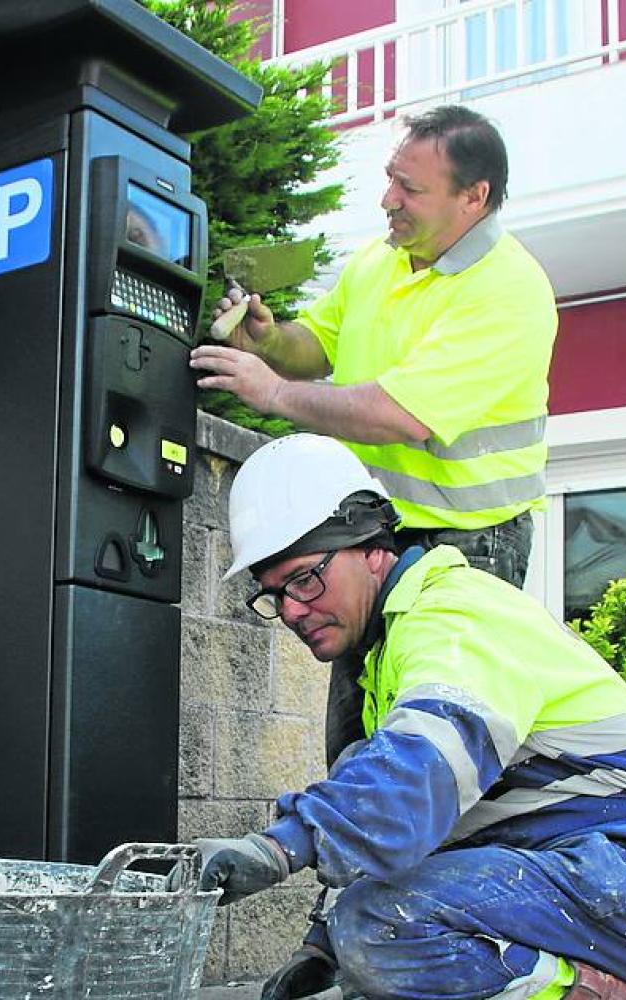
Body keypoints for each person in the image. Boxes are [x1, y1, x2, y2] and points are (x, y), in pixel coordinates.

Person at [193, 434, 626, 1000]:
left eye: (305, 578)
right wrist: (321, 949)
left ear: (371, 548)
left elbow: (416, 777)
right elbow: (398, 830)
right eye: (274, 595)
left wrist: (276, 848)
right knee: (371, 951)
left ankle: (583, 991)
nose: (292, 609)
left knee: (382, 928)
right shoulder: (390, 652)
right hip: (572, 866)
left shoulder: (452, 615)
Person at [191, 104, 558, 770]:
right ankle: (362, 864)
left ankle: (432, 868)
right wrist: (270, 341)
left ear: (473, 198)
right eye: (391, 179)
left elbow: (399, 415)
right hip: (379, 534)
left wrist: (270, 393)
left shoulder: (509, 291)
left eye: (410, 189)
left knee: (435, 740)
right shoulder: (381, 261)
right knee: (359, 734)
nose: (388, 200)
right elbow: (316, 347)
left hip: (470, 540)